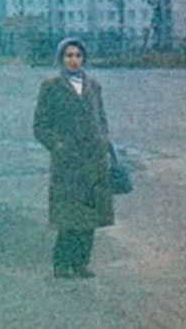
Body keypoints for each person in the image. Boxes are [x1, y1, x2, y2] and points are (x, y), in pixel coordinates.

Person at [33, 36, 114, 278]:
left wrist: (104, 142)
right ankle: (61, 264)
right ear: (61, 58)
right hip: (67, 161)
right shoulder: (50, 86)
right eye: (69, 55)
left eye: (78, 56)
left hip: (93, 160)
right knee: (68, 215)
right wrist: (57, 145)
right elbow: (40, 126)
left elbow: (102, 119)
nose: (74, 60)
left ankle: (81, 263)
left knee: (89, 215)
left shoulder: (94, 86)